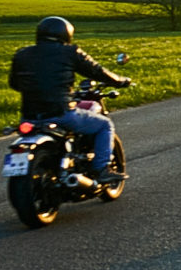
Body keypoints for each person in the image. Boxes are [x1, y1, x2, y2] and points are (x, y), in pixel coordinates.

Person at [8, 16, 131, 185]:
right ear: (66, 34)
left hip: (29, 117)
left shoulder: (22, 54)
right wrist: (120, 80)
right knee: (104, 125)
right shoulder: (70, 52)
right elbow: (96, 71)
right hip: (61, 113)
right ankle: (102, 169)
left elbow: (14, 84)